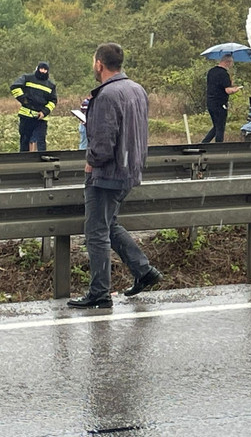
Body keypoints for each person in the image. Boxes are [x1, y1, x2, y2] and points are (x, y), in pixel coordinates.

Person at [68, 43, 162, 309]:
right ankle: (143, 271)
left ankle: (99, 292)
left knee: (96, 232)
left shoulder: (106, 95)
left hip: (107, 172)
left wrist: (91, 162)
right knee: (108, 224)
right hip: (130, 169)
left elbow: (104, 139)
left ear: (99, 63)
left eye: (93, 62)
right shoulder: (137, 89)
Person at [10, 61, 57, 153]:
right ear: (37, 68)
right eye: (41, 69)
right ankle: (24, 163)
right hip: (26, 116)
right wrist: (24, 100)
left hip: (41, 118)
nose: (43, 71)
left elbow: (53, 101)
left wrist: (44, 112)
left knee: (40, 143)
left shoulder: (51, 85)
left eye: (45, 69)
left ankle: (41, 165)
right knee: (25, 142)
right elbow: (14, 87)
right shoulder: (27, 78)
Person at [201, 53, 243, 143]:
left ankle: (204, 143)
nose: (232, 65)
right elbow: (227, 90)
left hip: (210, 102)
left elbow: (217, 85)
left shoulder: (211, 71)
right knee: (220, 127)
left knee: (216, 126)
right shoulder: (224, 74)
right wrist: (235, 90)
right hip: (220, 104)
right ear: (228, 62)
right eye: (232, 63)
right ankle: (219, 146)